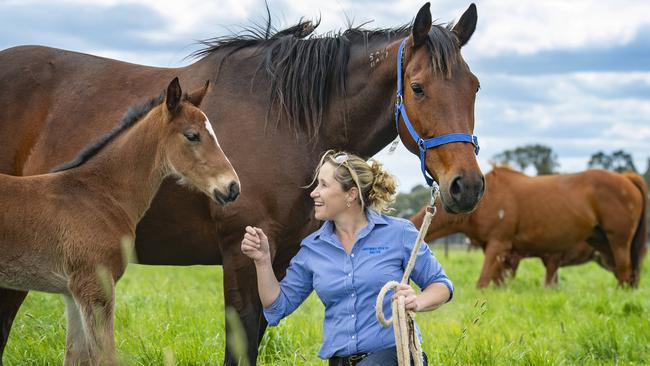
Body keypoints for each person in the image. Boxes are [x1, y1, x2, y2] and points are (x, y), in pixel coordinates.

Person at [241, 150, 454, 366]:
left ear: (351, 195)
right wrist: (262, 260)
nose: (314, 193)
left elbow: (441, 285)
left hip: (395, 355)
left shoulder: (400, 234)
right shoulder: (312, 249)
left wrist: (417, 302)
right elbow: (277, 307)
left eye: (323, 185)